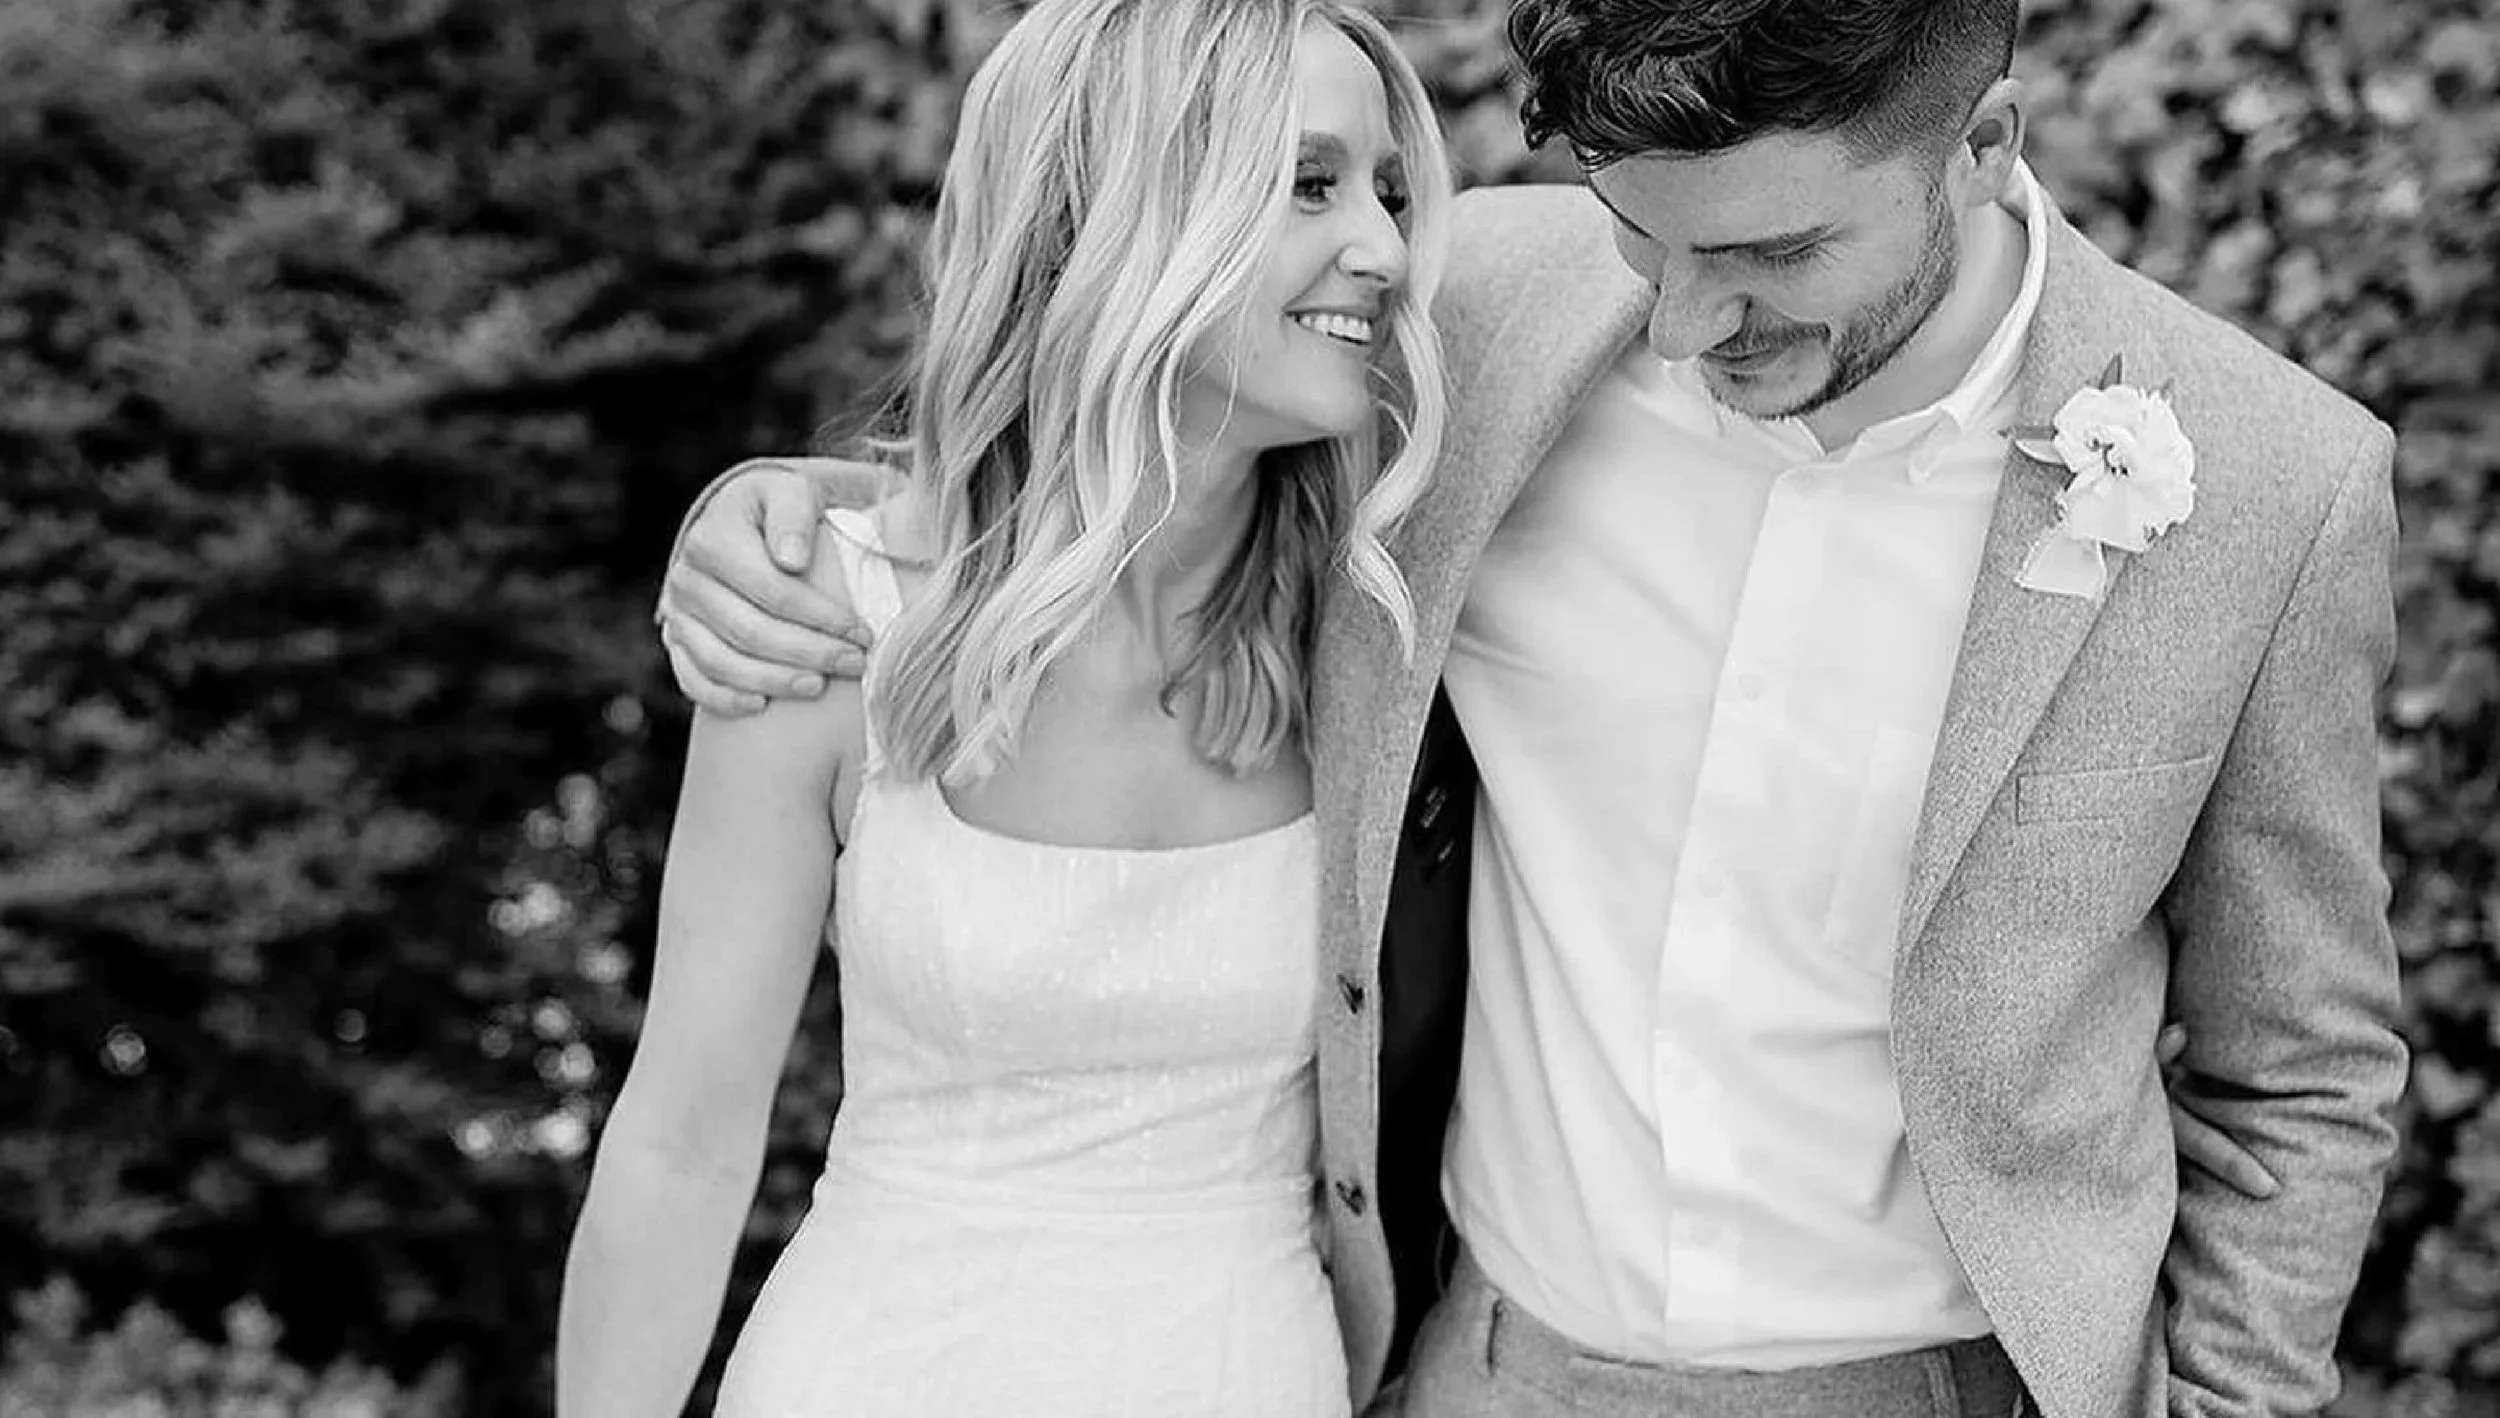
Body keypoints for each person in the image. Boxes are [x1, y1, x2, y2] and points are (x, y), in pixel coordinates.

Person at [658, 0, 2408, 1413]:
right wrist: (787, 510)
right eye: (1644, 239)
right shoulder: (1474, 309)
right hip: (1482, 1366)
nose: (1683, 322)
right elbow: (1126, 430)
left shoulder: (2271, 482)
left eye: (1773, 255)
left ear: (1983, 149)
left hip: (1954, 1384)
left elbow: (2303, 1073)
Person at [556, 1, 1454, 1414]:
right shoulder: (828, 622)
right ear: (1118, 217)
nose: (1391, 252)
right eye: (1311, 183)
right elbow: (680, 1142)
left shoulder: (1390, 639)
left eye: (1393, 193)